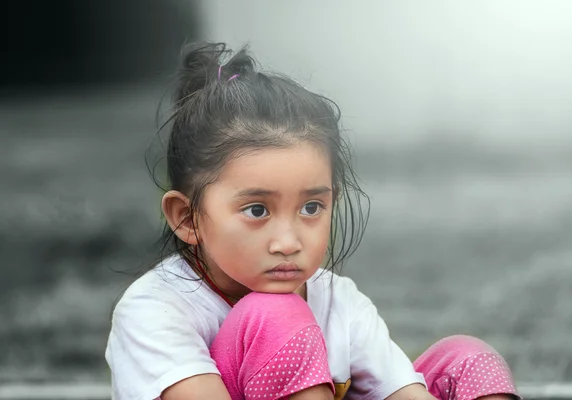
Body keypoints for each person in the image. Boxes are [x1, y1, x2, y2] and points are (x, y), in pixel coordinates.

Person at [105, 42, 521, 400]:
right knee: (275, 315)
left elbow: (403, 390)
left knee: (467, 360)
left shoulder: (339, 302)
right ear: (188, 217)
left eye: (310, 208)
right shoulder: (155, 310)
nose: (288, 241)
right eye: (257, 211)